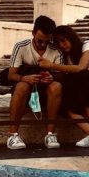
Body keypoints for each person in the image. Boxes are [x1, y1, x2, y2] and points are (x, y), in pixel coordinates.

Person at [40, 25, 89, 147]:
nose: (62, 45)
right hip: (81, 86)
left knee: (83, 78)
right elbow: (72, 72)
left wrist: (51, 65)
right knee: (66, 102)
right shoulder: (66, 56)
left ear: (71, 37)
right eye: (59, 43)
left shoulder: (87, 45)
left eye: (63, 40)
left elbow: (80, 67)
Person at [6, 15, 64, 150]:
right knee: (21, 87)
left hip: (47, 92)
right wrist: (25, 78)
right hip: (26, 89)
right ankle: (12, 135)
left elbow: (61, 75)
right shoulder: (21, 47)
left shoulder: (56, 51)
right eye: (39, 41)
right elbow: (11, 75)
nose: (43, 45)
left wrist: (52, 77)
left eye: (46, 41)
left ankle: (50, 134)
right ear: (33, 33)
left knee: (56, 86)